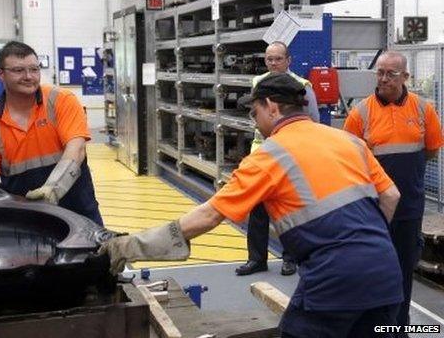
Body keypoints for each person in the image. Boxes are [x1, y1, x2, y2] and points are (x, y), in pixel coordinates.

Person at [101, 73, 403, 338]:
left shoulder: (269, 155)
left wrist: (128, 247)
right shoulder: (347, 141)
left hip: (334, 282)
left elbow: (207, 216)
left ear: (272, 106)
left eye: (254, 112)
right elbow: (391, 196)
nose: (254, 121)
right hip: (386, 274)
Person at [343, 50, 444, 334]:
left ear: (406, 77)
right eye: (380, 73)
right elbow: (350, 160)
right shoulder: (360, 113)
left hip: (409, 206)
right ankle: (372, 324)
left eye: (391, 74)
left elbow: (431, 150)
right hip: (371, 207)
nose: (384, 79)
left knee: (403, 267)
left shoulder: (424, 110)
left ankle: (398, 326)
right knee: (370, 266)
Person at [0, 41, 104, 226]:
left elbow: (77, 148)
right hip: (26, 223)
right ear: (0, 74)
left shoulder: (61, 100)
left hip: (79, 212)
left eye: (34, 69)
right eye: (18, 70)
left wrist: (52, 189)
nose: (29, 76)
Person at [236, 41, 319, 277]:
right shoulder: (258, 83)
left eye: (278, 59)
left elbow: (312, 120)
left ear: (288, 60)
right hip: (262, 153)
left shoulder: (302, 86)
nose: (273, 63)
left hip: (290, 154)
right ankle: (256, 259)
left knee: (288, 208)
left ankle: (290, 258)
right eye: (269, 59)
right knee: (258, 208)